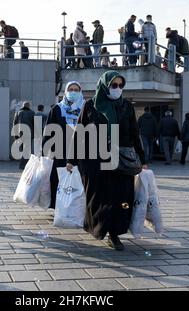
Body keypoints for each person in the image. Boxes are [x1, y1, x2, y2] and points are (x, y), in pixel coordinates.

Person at [66, 71, 146, 251]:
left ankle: (115, 234)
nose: (117, 89)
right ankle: (99, 227)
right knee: (99, 196)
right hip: (94, 160)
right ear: (104, 85)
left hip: (121, 160)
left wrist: (143, 159)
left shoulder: (126, 106)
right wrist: (72, 159)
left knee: (121, 196)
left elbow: (134, 133)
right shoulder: (90, 106)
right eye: (114, 85)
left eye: (120, 85)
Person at [43, 81, 85, 210]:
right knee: (59, 180)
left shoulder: (86, 108)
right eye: (70, 89)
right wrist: (46, 151)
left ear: (80, 92)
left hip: (81, 153)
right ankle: (59, 208)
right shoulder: (57, 109)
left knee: (79, 181)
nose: (73, 92)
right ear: (66, 92)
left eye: (76, 90)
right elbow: (49, 131)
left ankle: (77, 208)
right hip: (60, 152)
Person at [13, 102, 35, 169]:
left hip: (20, 134)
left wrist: (15, 135)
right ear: (29, 106)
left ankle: (23, 165)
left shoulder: (18, 112)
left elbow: (15, 124)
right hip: (29, 133)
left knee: (22, 149)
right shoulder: (32, 113)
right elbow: (35, 124)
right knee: (27, 149)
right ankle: (24, 165)